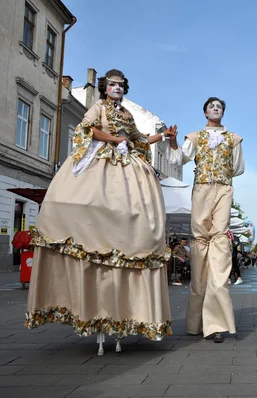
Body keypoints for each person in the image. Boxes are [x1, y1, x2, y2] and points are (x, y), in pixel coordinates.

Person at [25, 69, 174, 354]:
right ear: (105, 88)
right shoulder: (98, 107)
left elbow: (139, 139)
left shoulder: (128, 115)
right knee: (83, 203)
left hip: (128, 166)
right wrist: (113, 140)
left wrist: (161, 136)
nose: (117, 89)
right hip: (100, 161)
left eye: (121, 85)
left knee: (138, 216)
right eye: (112, 85)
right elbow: (87, 130)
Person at [169, 96, 244, 343]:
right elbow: (179, 159)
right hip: (201, 187)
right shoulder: (195, 137)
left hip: (223, 187)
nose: (215, 109)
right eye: (211, 106)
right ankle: (197, 322)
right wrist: (172, 142)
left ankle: (217, 324)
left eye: (219, 106)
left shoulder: (233, 138)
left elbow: (237, 168)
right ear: (204, 112)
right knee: (200, 246)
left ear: (223, 112)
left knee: (220, 242)